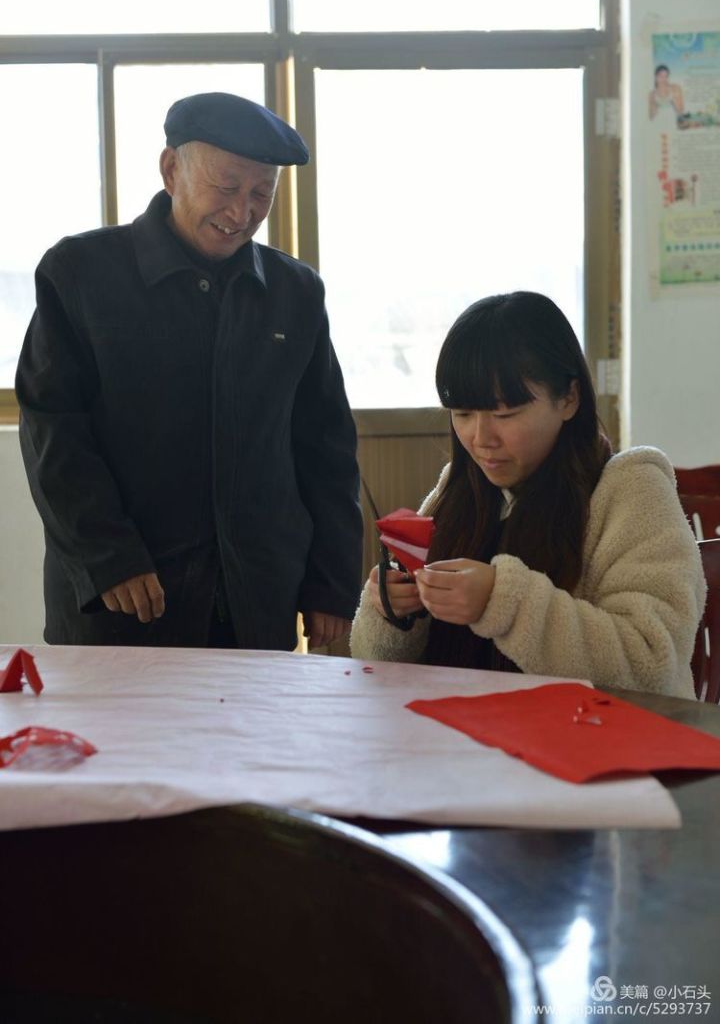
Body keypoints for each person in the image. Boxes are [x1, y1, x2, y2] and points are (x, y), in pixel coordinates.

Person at [16, 92, 363, 651]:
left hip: (255, 603)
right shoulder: (80, 275)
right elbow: (52, 432)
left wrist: (332, 587)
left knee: (253, 738)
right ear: (171, 169)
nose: (241, 212)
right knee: (118, 741)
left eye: (261, 194)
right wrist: (109, 556)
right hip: (123, 600)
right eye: (226, 187)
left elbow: (326, 449)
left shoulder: (295, 293)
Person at [350, 291, 704, 698]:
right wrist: (392, 611)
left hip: (588, 752)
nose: (481, 439)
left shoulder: (630, 490)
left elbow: (650, 663)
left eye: (505, 414)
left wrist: (502, 602)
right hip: (462, 741)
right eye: (463, 414)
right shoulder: (459, 490)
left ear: (569, 399)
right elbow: (372, 664)